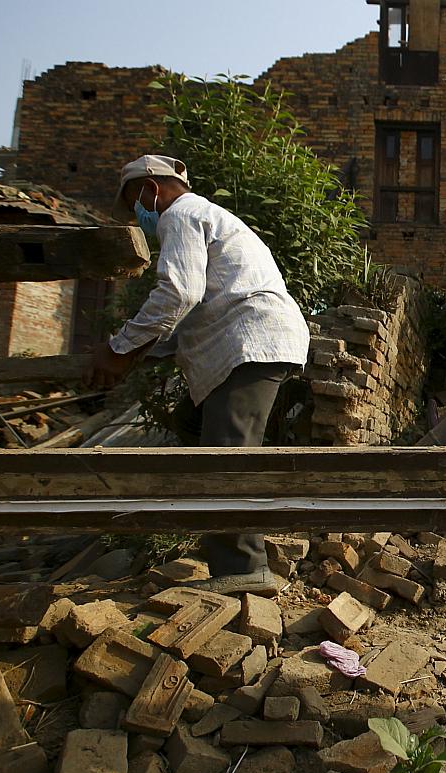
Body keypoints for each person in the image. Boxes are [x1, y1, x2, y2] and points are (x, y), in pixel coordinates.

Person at [87, 155, 310, 596]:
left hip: (250, 342)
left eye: (135, 202)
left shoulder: (181, 216)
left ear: (150, 189)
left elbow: (177, 293)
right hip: (246, 342)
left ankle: (244, 566)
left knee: (225, 458)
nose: (138, 214)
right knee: (193, 427)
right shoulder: (206, 216)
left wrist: (118, 349)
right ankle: (228, 522)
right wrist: (130, 355)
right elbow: (182, 318)